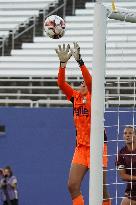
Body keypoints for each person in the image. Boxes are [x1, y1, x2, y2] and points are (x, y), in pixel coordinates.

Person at [55, 42, 111, 205]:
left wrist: (80, 62)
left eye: (85, 83)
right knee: (72, 185)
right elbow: (60, 83)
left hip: (98, 146)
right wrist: (63, 64)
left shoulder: (95, 97)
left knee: (101, 189)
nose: (82, 84)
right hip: (81, 148)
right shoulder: (75, 97)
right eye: (81, 83)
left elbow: (91, 81)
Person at [116, 126, 136, 205]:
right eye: (125, 133)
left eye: (130, 133)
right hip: (131, 191)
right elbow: (123, 176)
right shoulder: (121, 153)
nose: (127, 135)